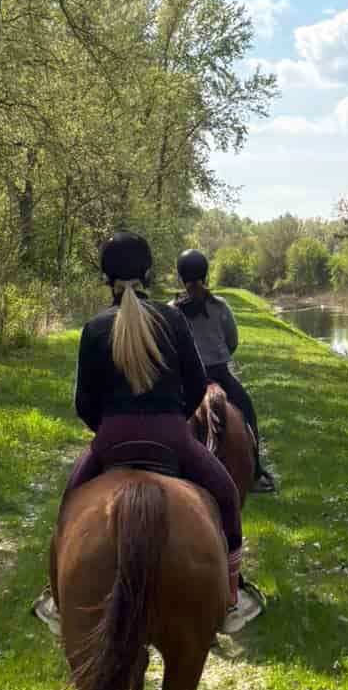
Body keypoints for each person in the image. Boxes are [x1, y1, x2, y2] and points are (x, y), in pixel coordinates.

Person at [62, 233, 243, 605]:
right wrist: (173, 419)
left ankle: (56, 595)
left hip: (112, 437)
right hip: (171, 436)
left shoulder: (95, 327)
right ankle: (231, 591)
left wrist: (109, 431)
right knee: (225, 494)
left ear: (105, 277)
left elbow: (83, 402)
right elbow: (195, 385)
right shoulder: (172, 318)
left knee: (67, 509)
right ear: (148, 273)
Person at [174, 249, 278, 492]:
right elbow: (232, 341)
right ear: (206, 275)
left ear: (181, 277)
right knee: (247, 411)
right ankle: (255, 472)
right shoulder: (220, 307)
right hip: (220, 373)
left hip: (188, 379)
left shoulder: (172, 310)